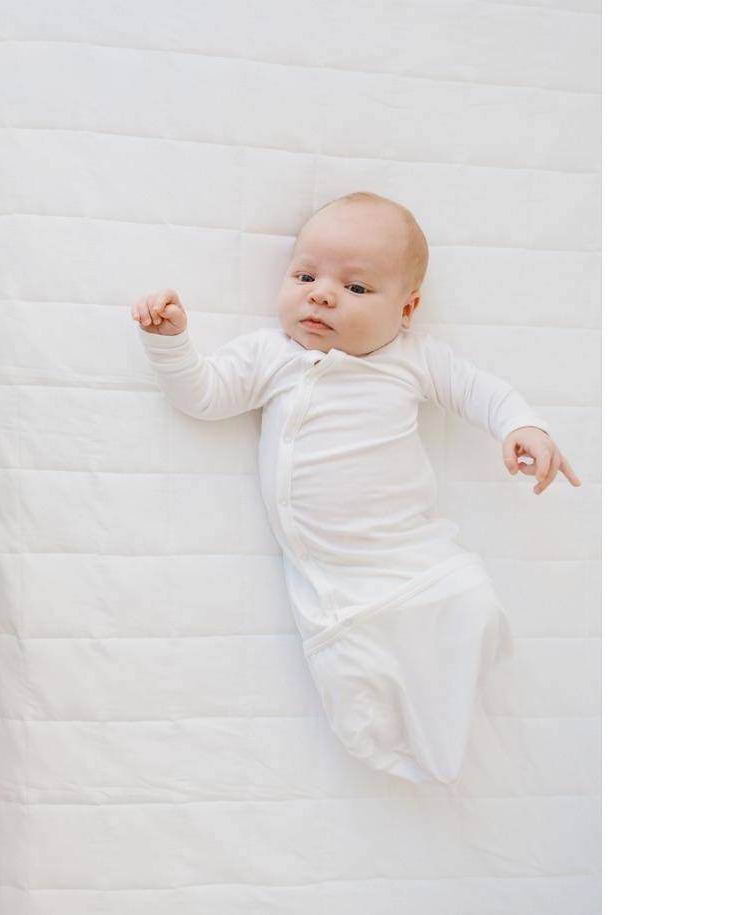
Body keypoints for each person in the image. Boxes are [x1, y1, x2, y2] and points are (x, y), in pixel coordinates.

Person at [130, 191, 580, 783]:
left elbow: (483, 391)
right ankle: (417, 728)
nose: (321, 294)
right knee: (355, 679)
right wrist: (172, 342)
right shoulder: (274, 355)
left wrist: (524, 425)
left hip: (414, 557)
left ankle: (463, 643)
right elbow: (205, 397)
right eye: (305, 275)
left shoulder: (411, 358)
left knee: (464, 603)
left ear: (408, 308)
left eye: (357, 288)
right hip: (335, 583)